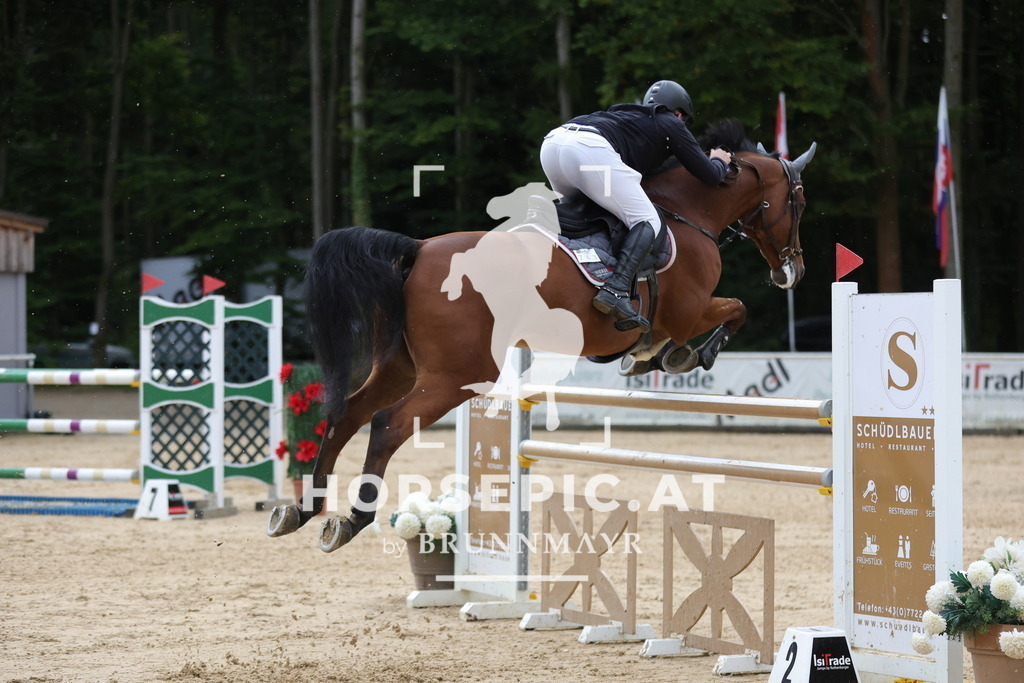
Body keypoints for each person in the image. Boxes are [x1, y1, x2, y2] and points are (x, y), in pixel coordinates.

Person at [540, 80, 732, 332]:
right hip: (589, 150)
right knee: (648, 221)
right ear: (679, 113)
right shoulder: (670, 122)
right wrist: (719, 161)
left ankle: (579, 268)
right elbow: (710, 175)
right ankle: (616, 288)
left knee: (586, 214)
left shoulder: (626, 115)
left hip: (553, 144)